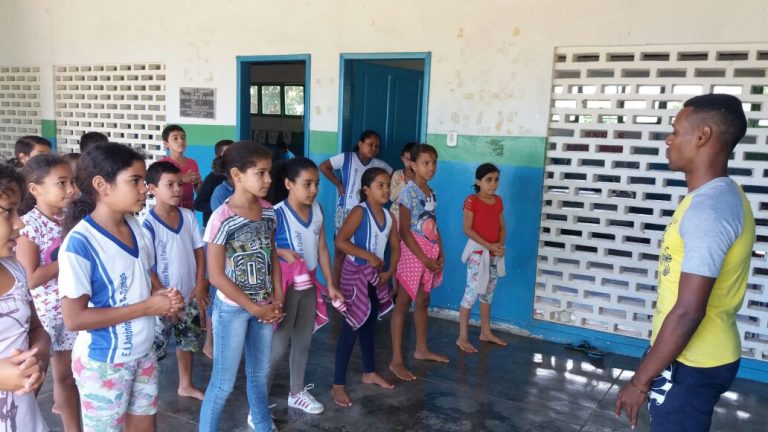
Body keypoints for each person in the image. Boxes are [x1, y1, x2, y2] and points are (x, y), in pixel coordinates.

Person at [615, 94, 755, 431]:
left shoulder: (710, 209)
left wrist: (639, 382)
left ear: (703, 136)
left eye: (676, 131)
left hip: (692, 361)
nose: (669, 139)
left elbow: (689, 310)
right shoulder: (714, 197)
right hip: (685, 356)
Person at [58, 143, 184, 432]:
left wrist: (161, 295)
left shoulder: (135, 226)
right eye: (135, 181)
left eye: (143, 181)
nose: (144, 189)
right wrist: (147, 307)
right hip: (104, 362)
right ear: (101, 185)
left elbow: (142, 276)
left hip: (143, 350)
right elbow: (74, 319)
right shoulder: (80, 244)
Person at [198, 141, 284, 432]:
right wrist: (254, 308)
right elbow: (215, 276)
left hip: (264, 306)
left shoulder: (269, 212)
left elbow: (272, 254)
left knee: (259, 375)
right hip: (233, 311)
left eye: (269, 172)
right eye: (260, 173)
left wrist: (278, 294)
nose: (268, 179)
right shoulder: (222, 218)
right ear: (237, 175)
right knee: (223, 383)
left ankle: (262, 424)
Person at [266, 157, 344, 415]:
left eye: (317, 184)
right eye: (307, 184)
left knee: (303, 340)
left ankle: (297, 392)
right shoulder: (276, 213)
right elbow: (265, 250)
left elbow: (322, 249)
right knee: (278, 347)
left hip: (308, 284)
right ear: (289, 184)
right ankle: (258, 401)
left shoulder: (318, 210)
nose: (313, 190)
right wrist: (281, 252)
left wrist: (330, 284)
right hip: (285, 287)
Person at [15, 154, 80, 430]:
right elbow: (31, 278)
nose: (71, 190)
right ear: (35, 189)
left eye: (72, 182)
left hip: (71, 309)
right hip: (44, 317)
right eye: (62, 183)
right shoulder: (29, 226)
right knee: (36, 379)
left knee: (68, 377)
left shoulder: (71, 220)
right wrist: (68, 257)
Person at [332, 167, 400, 407]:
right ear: (366, 190)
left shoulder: (390, 217)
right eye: (380, 185)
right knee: (351, 326)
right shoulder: (359, 212)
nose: (386, 189)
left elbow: (396, 247)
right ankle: (337, 385)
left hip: (376, 277)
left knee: (370, 324)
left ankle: (369, 372)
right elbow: (340, 241)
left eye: (387, 185)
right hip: (355, 276)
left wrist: (389, 273)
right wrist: (367, 256)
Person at [142, 161, 207, 400]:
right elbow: (148, 267)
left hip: (189, 293)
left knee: (188, 341)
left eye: (179, 184)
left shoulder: (188, 216)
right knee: (154, 347)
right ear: (152, 189)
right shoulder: (148, 224)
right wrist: (165, 297)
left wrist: (200, 285)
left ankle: (185, 384)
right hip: (163, 299)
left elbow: (199, 252)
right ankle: (145, 390)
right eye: (169, 185)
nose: (178, 189)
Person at [390, 143, 448, 381]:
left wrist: (440, 251)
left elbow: (433, 224)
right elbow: (404, 230)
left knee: (423, 300)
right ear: (412, 165)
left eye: (434, 162)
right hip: (413, 253)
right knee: (403, 303)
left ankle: (421, 349)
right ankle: (396, 360)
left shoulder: (431, 192)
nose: (431, 167)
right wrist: (423, 258)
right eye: (425, 163)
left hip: (430, 251)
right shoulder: (408, 192)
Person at [0, 163, 50, 432]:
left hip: (24, 420)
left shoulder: (14, 269)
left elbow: (36, 330)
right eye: (8, 211)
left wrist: (37, 357)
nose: (20, 223)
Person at [319, 130, 392, 289]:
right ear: (360, 144)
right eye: (370, 144)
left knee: (362, 252)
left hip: (368, 214)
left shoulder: (380, 165)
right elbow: (323, 166)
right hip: (345, 211)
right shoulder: (346, 158)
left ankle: (359, 289)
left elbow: (394, 176)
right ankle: (335, 289)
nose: (373, 148)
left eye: (377, 146)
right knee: (340, 252)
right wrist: (338, 184)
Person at [455, 163, 507, 353]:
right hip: (478, 254)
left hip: (494, 253)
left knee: (487, 293)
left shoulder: (498, 200)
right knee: (471, 293)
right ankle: (462, 336)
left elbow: (502, 227)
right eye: (488, 180)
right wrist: (489, 246)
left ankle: (486, 332)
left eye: (496, 180)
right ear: (478, 181)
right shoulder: (472, 201)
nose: (493, 184)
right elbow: (467, 229)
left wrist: (499, 245)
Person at [160, 125, 201, 210]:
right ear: (166, 144)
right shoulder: (162, 164)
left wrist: (199, 182)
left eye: (183, 138)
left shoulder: (192, 162)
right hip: (170, 208)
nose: (181, 141)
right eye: (175, 138)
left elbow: (199, 191)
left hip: (189, 207)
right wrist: (181, 179)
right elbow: (160, 187)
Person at [194, 139, 233, 227]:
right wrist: (217, 204)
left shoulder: (237, 176)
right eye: (228, 153)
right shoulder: (212, 178)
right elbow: (198, 204)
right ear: (218, 157)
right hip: (213, 227)